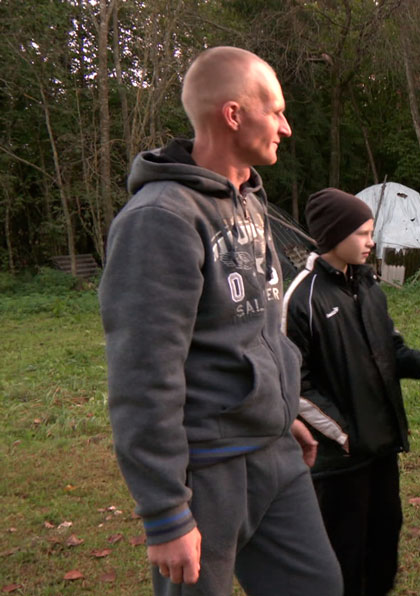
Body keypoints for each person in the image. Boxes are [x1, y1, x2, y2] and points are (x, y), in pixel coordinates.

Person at [98, 47, 342, 596]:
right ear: (233, 115)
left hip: (275, 453)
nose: (286, 126)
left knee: (319, 585)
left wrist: (284, 412)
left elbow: (257, 327)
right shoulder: (160, 218)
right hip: (207, 471)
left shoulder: (248, 202)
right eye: (275, 111)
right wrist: (165, 512)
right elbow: (142, 371)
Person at [282, 187, 420, 595]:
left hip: (383, 449)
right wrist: (344, 435)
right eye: (363, 233)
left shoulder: (368, 285)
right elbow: (292, 386)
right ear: (334, 234)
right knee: (344, 559)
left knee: (384, 548)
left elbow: (390, 349)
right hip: (340, 461)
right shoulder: (301, 298)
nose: (371, 241)